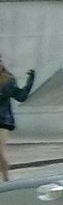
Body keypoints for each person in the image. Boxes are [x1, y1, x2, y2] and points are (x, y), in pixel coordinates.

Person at [0, 53, 36, 181]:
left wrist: (29, 82)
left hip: (3, 120)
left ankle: (6, 179)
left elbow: (20, 96)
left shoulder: (6, 79)